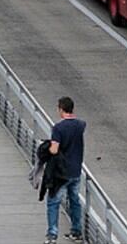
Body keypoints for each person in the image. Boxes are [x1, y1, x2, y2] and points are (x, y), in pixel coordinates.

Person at [45, 97, 87, 244]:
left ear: (61, 109)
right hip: (75, 170)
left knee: (53, 202)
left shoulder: (58, 128)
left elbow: (55, 149)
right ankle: (76, 232)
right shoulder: (81, 125)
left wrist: (47, 148)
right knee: (74, 200)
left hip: (61, 173)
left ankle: (52, 235)